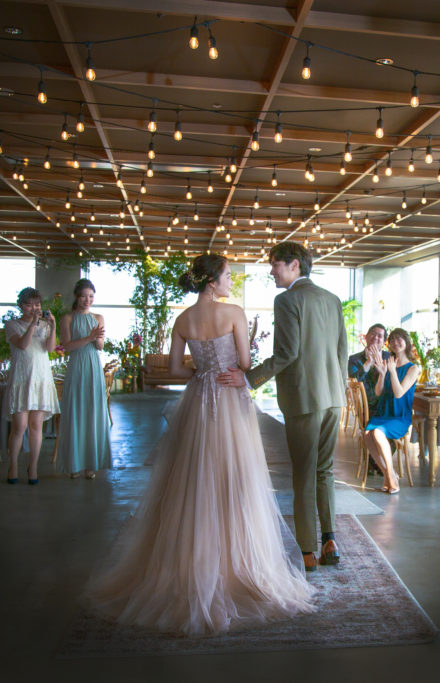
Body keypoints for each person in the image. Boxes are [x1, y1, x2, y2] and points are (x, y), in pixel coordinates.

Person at [87, 255, 314, 636]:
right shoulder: (234, 313)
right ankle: (235, 563)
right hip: (229, 400)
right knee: (235, 478)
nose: (230, 282)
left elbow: (176, 370)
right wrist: (227, 369)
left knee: (192, 479)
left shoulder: (183, 320)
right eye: (226, 276)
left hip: (197, 399)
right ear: (211, 281)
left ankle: (189, 566)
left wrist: (200, 370)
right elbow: (244, 363)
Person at [218, 241, 348, 572]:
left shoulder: (287, 300)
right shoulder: (332, 299)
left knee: (303, 474)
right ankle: (330, 540)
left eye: (275, 265)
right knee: (325, 470)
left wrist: (249, 379)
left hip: (304, 399)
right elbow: (342, 352)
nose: (271, 272)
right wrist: (339, 389)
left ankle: (307, 551)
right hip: (334, 398)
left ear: (294, 265)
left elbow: (287, 353)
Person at [3, 287, 60, 485]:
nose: (34, 308)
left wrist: (53, 326)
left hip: (41, 378)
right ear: (21, 306)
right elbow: (22, 344)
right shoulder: (12, 325)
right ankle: (13, 465)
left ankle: (33, 466)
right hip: (21, 378)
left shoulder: (44, 325)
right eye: (29, 305)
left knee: (36, 426)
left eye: (37, 305)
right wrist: (33, 325)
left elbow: (50, 349)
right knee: (19, 426)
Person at [56, 279, 111, 479]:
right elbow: (66, 347)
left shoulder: (98, 317)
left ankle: (91, 464)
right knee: (75, 412)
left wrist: (96, 337)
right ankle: (74, 464)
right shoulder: (67, 318)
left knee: (93, 413)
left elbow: (100, 346)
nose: (88, 300)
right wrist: (89, 337)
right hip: (76, 366)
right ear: (76, 297)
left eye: (91, 296)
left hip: (93, 367)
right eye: (84, 296)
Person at [363, 328, 420, 494]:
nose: (395, 343)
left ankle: (390, 478)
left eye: (399, 339)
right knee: (366, 435)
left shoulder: (413, 368)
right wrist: (382, 374)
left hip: (399, 417)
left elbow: (399, 393)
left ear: (406, 342)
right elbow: (378, 392)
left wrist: (393, 371)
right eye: (392, 340)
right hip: (384, 413)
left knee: (377, 433)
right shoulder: (388, 363)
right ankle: (390, 474)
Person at [347, 323, 390, 414]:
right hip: (364, 409)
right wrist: (368, 362)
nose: (375, 337)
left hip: (387, 406)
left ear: (384, 342)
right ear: (366, 337)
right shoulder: (354, 359)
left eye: (379, 336)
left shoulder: (389, 358)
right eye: (373, 334)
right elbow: (354, 382)